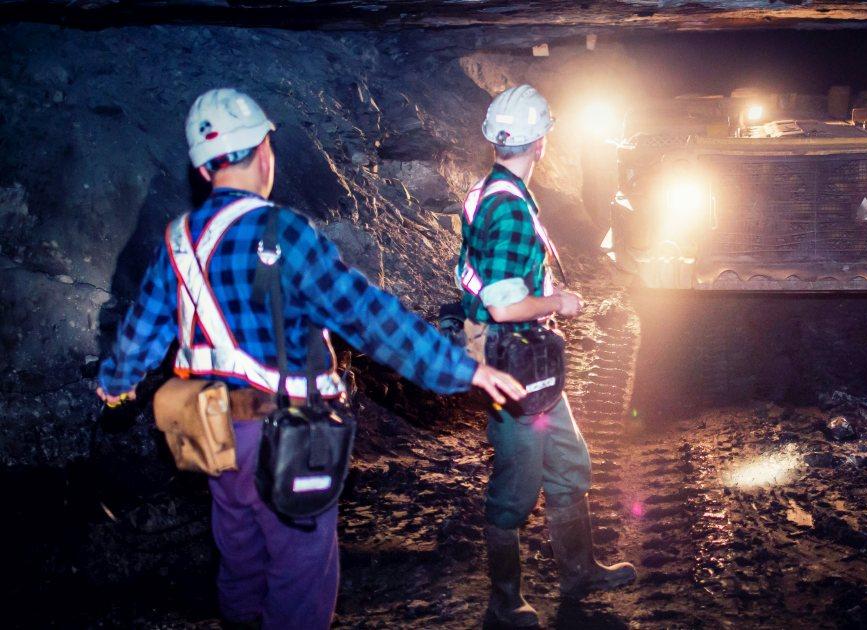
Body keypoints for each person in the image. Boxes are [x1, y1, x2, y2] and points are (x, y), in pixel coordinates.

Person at [95, 88, 525, 630]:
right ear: (264, 152)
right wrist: (462, 368)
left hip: (204, 426)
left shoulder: (177, 240)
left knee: (238, 548)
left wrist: (115, 382)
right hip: (283, 429)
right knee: (299, 567)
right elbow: (369, 317)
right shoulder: (284, 236)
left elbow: (141, 331)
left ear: (203, 169)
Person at [458, 84, 637, 627]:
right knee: (515, 487)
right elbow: (502, 305)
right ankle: (504, 602)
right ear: (540, 143)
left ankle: (579, 573)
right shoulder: (511, 209)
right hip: (512, 359)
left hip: (527, 360)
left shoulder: (487, 190)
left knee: (568, 460)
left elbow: (486, 275)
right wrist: (559, 302)